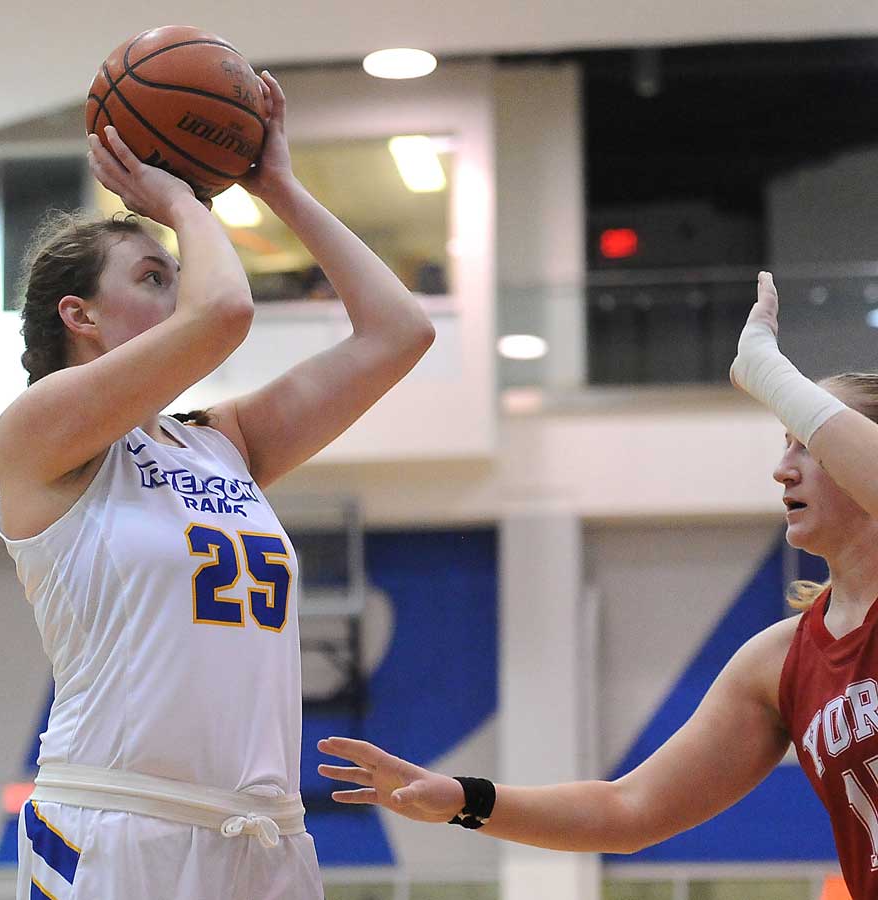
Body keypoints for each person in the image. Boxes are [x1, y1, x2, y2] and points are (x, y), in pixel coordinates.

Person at [0, 70, 435, 900]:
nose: (180, 286)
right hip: (118, 823)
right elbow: (224, 312)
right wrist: (182, 201)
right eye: (153, 277)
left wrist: (279, 187)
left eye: (176, 272)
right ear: (80, 315)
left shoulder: (220, 444)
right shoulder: (37, 435)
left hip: (265, 833)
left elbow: (399, 331)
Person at [318, 271, 878, 897]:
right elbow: (629, 810)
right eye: (785, 443)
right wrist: (465, 799)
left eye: (810, 444)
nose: (782, 470)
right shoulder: (778, 661)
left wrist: (770, 374)